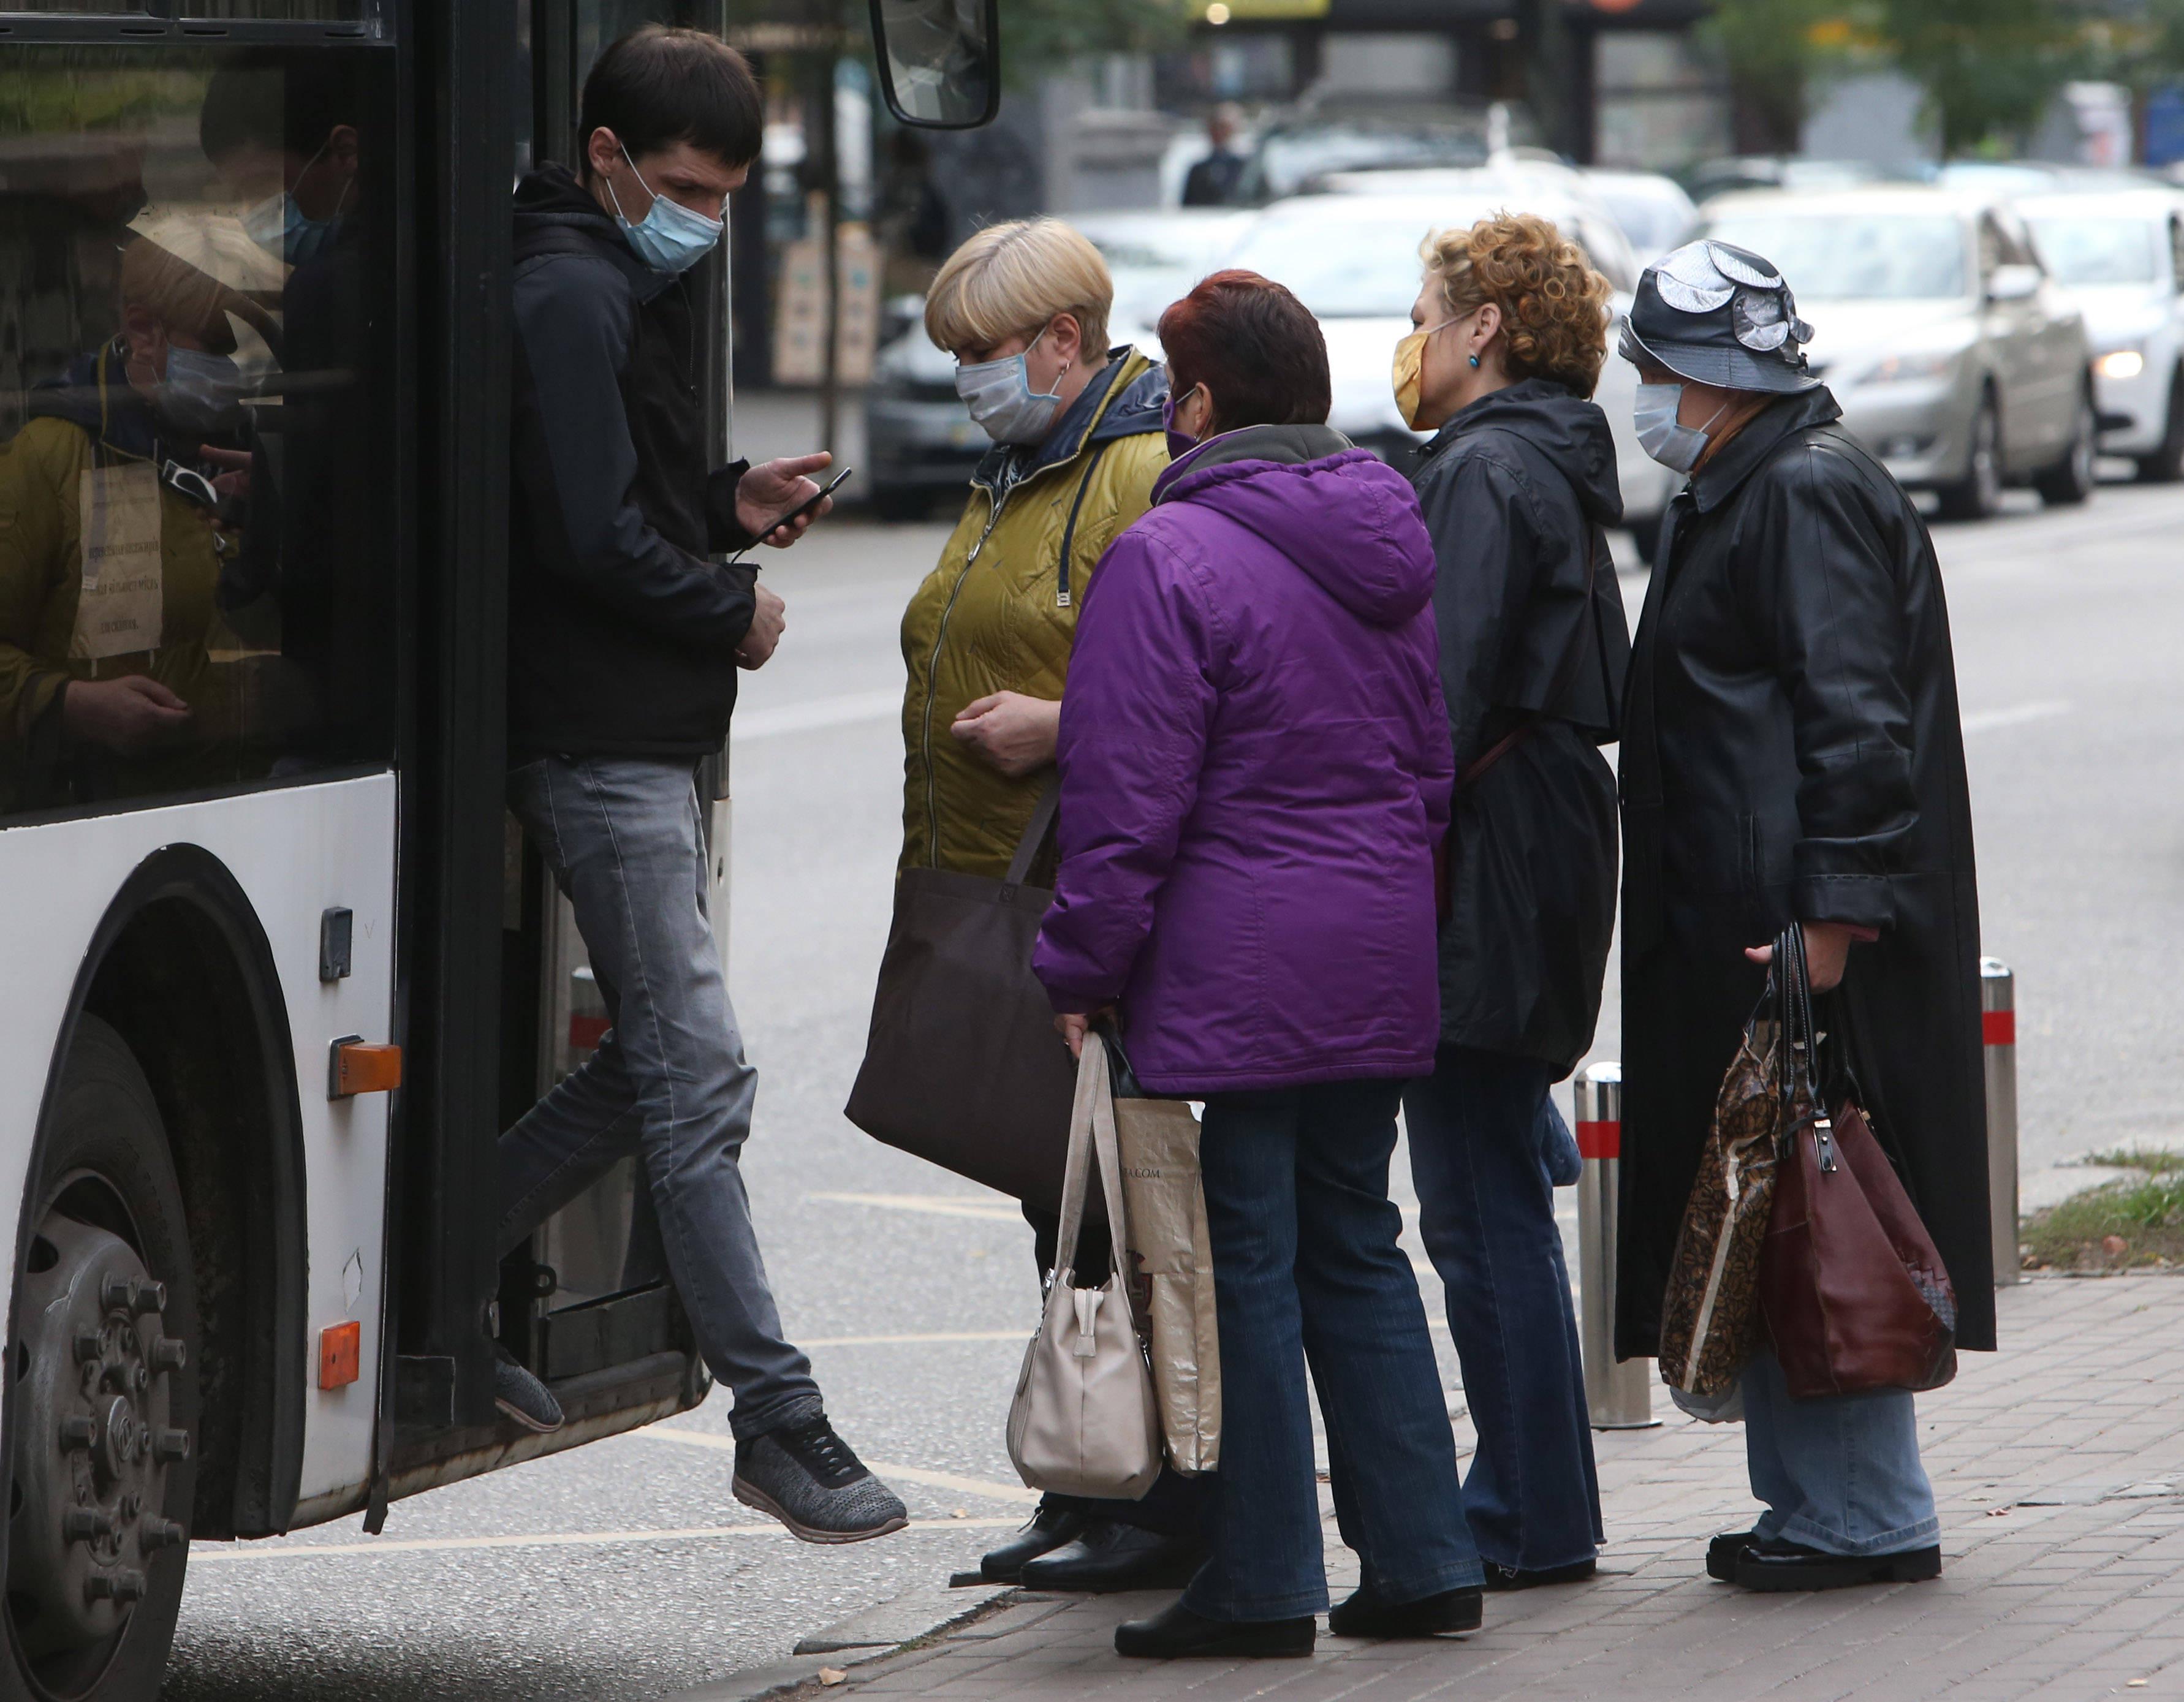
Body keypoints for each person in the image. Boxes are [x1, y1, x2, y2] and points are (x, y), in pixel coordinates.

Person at [495, 25, 908, 1546]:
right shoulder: (569, 290)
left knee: (674, 1059)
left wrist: (725, 504)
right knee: (701, 1074)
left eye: (730, 197)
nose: (707, 222)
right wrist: (720, 604)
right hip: (601, 737)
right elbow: (587, 541)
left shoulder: (619, 277)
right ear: (605, 159)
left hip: (636, 728)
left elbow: (620, 501)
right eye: (684, 188)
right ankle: (778, 1416)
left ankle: (436, 1254)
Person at [1034, 270, 1481, 1659]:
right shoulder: (1387, 535)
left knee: (1246, 1266)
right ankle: (1423, 1556)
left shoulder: (1166, 560)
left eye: (1173, 392)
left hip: (1232, 962)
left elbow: (1125, 799)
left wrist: (1079, 963)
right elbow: (1428, 770)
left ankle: (1263, 1576)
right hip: (1374, 945)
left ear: (1206, 404)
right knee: (1358, 1237)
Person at [1613, 238, 1992, 1589]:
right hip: (1754, 918)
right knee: (1774, 1201)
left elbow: (1853, 720)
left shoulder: (1801, 495)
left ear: (1715, 380)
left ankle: (1865, 1514)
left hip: (1793, 928)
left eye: (1656, 370)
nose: (1645, 395)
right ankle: (1816, 1504)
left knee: (1817, 1205)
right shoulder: (1752, 482)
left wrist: (1830, 916)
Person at [900, 216, 1205, 1592]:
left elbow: (1194, 685)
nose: (967, 377)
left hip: (1097, 887)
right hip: (1001, 884)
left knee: (1120, 1203)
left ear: (1064, 344)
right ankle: (1093, 1478)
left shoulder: (1141, 471)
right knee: (1058, 1193)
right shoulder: (1027, 461)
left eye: (981, 352)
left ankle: (1153, 1503)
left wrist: (1064, 725)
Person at [1392, 213, 1626, 1589]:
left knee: (1478, 1209)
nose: (1413, 337)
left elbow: (1443, 690)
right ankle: (1537, 1502)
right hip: (1527, 833)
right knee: (1490, 1191)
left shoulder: (1485, 470)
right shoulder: (1527, 455)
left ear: (1484, 328)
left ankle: (1527, 1514)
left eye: (1427, 311)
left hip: (1493, 844)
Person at [0, 236, 275, 812]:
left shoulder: (250, 454)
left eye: (244, 352)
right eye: (217, 349)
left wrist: (275, 506)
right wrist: (70, 705)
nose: (234, 372)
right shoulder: (54, 457)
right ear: (143, 329)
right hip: (98, 814)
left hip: (250, 796)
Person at [1180, 104, 1246, 207]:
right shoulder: (1198, 170)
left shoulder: (1246, 168)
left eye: (1224, 128)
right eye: (1215, 128)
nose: (1219, 133)